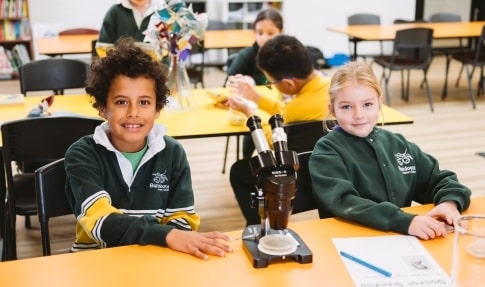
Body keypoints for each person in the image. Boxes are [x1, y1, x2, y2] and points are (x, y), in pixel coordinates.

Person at [64, 38, 233, 260]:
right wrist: (165, 234)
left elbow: (182, 220)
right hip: (96, 258)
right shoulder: (82, 154)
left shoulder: (173, 153)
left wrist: (168, 236)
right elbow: (102, 224)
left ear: (157, 109)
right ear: (103, 108)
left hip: (156, 257)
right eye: (121, 102)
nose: (133, 112)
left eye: (144, 102)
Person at [309, 61, 471, 240]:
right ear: (332, 109)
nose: (359, 114)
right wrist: (404, 221)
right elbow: (343, 201)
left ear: (380, 102)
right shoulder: (326, 151)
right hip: (350, 242)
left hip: (403, 241)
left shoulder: (397, 144)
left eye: (367, 104)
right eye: (346, 107)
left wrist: (449, 202)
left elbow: (441, 179)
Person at [228, 34, 331, 226]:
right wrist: (257, 97)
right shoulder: (329, 86)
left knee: (239, 171)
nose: (271, 86)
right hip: (331, 168)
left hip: (300, 178)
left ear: (289, 83)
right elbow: (283, 111)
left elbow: (271, 142)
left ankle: (257, 225)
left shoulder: (296, 109)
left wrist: (249, 111)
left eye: (271, 83)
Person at [225, 8, 284, 159]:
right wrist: (238, 82)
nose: (264, 38)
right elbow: (229, 80)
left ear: (281, 32)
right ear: (254, 32)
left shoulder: (286, 55)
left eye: (270, 33)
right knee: (254, 122)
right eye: (260, 32)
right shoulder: (247, 55)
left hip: (280, 106)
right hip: (254, 108)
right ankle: (247, 161)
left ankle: (281, 160)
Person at [97, 0, 165, 44]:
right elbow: (103, 46)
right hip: (122, 65)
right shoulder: (115, 11)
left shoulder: (164, 9)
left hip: (157, 65)